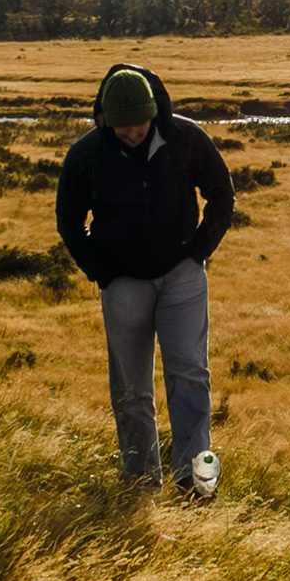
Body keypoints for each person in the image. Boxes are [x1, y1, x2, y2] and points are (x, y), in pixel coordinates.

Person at [55, 61, 237, 498]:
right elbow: (67, 219)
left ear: (153, 113)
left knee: (191, 379)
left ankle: (196, 487)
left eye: (138, 126)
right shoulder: (87, 152)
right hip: (122, 283)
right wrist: (103, 273)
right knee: (132, 390)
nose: (132, 134)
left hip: (182, 277)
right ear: (105, 120)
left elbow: (222, 196)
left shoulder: (186, 139)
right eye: (122, 128)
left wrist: (196, 256)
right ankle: (140, 485)